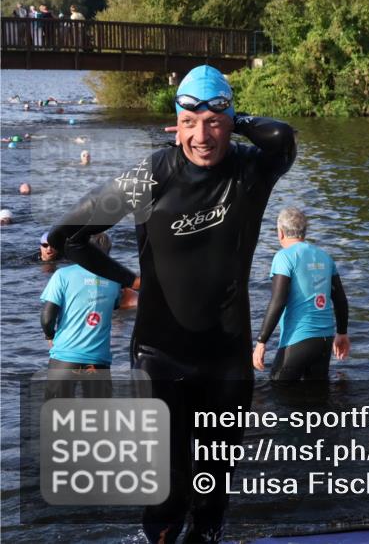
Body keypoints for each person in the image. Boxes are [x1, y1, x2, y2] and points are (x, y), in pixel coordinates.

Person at [46, 64, 296, 543]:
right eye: (189, 123)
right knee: (167, 482)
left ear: (231, 121)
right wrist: (132, 279)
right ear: (174, 123)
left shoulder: (250, 169)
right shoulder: (153, 174)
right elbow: (68, 237)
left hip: (226, 354)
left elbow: (282, 138)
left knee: (215, 477)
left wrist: (232, 118)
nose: (202, 136)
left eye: (214, 123)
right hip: (161, 352)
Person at [253, 207, 350, 382]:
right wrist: (342, 333)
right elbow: (340, 299)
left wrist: (261, 341)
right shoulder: (325, 256)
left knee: (278, 392)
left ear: (280, 233)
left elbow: (278, 301)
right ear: (304, 232)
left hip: (298, 339)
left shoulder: (284, 257)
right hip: (325, 339)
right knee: (317, 398)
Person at [41, 233, 136, 399]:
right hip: (99, 360)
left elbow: (47, 318)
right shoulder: (115, 281)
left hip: (65, 357)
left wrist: (49, 334)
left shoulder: (63, 275)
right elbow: (118, 305)